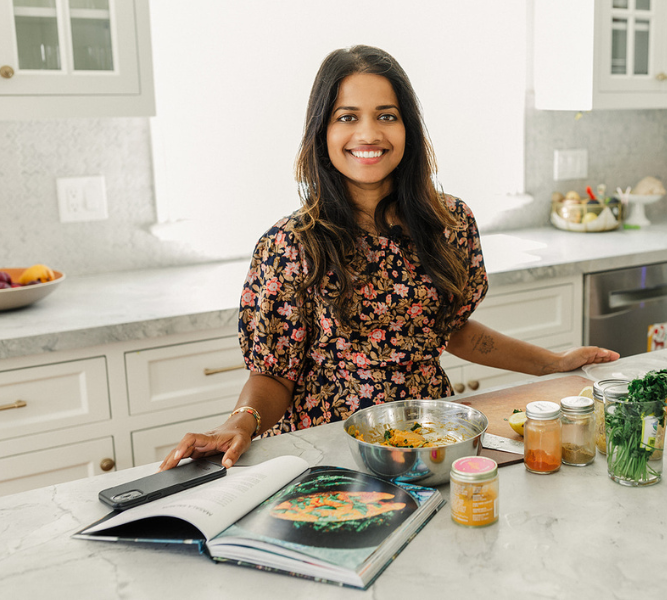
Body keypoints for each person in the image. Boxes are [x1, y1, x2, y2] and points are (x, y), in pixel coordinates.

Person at [159, 45, 619, 472]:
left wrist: (553, 365)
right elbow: (275, 374)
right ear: (323, 130)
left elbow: (449, 329)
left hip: (433, 440)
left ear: (407, 128)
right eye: (347, 116)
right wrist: (237, 425)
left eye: (386, 115)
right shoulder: (290, 244)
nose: (368, 133)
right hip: (329, 451)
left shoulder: (449, 222)